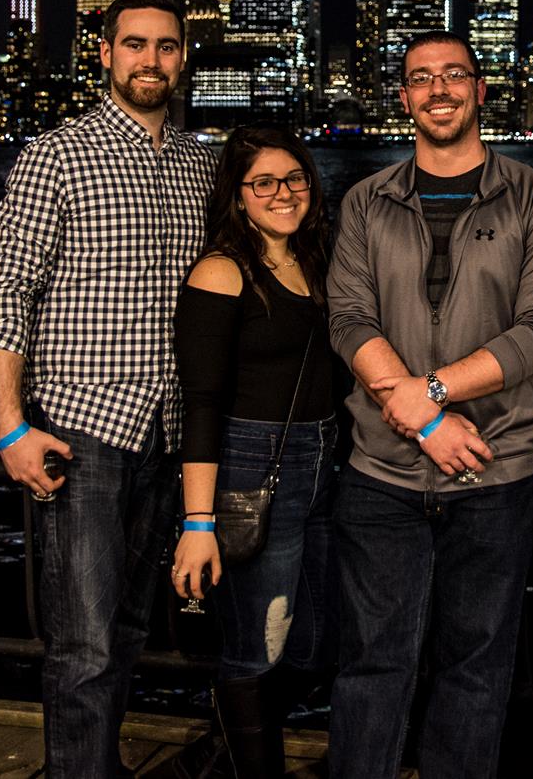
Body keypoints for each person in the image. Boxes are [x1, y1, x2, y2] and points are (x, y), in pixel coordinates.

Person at [0, 0, 215, 779]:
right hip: (83, 432)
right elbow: (7, 291)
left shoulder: (201, 163)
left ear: (183, 57)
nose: (151, 60)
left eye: (167, 46)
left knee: (133, 628)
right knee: (82, 642)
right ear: (105, 54)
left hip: (168, 432)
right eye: (135, 44)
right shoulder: (56, 154)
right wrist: (10, 425)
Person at [324, 31, 533, 779]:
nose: (438, 89)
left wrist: (430, 391)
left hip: (496, 471)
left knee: (476, 666)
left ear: (481, 89)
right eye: (420, 78)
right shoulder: (366, 201)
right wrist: (423, 419)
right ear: (401, 97)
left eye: (453, 75)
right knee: (372, 661)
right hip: (381, 473)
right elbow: (348, 317)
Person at [169, 126, 340, 778]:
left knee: (318, 641)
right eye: (263, 181)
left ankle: (222, 745)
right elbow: (203, 401)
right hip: (251, 464)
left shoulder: (314, 257)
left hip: (324, 462)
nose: (282, 192)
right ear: (238, 196)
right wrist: (198, 523)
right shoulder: (221, 271)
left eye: (293, 177)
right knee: (257, 646)